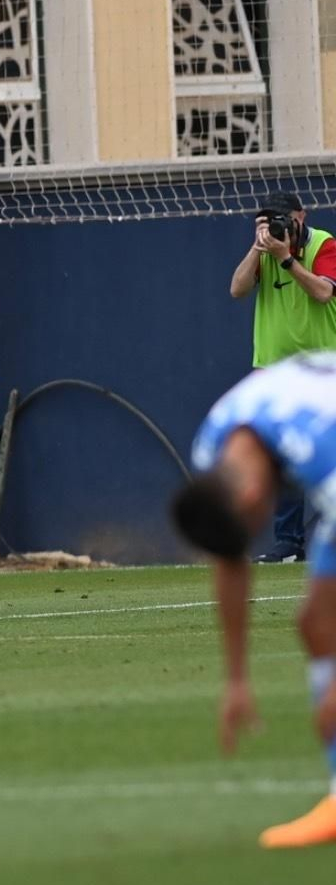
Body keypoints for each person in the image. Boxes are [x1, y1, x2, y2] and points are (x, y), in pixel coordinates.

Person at [170, 351, 336, 848]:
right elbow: (230, 559)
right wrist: (237, 680)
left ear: (251, 502)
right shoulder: (214, 452)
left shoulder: (320, 451)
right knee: (317, 625)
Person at [228, 192, 336, 563]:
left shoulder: (324, 244)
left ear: (300, 216)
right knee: (283, 456)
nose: (277, 228)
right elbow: (237, 289)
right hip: (275, 371)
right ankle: (288, 543)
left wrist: (286, 259)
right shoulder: (265, 252)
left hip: (324, 370)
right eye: (268, 222)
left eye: (282, 220)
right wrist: (258, 250)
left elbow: (323, 292)